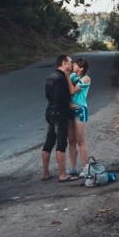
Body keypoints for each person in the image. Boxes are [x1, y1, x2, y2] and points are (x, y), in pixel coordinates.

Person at [42, 54, 78, 182]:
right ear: (63, 63)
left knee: (49, 142)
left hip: (49, 111)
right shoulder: (62, 79)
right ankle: (63, 174)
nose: (72, 63)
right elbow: (60, 97)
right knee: (61, 143)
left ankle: (45, 173)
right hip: (59, 113)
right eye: (70, 61)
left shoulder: (51, 76)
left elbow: (48, 95)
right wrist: (67, 104)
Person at [66, 57, 91, 176]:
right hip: (69, 110)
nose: (73, 66)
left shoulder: (86, 79)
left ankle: (85, 167)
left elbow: (72, 91)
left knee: (80, 140)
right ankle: (73, 167)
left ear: (81, 68)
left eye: (75, 65)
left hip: (80, 110)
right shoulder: (72, 76)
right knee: (71, 140)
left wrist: (67, 76)